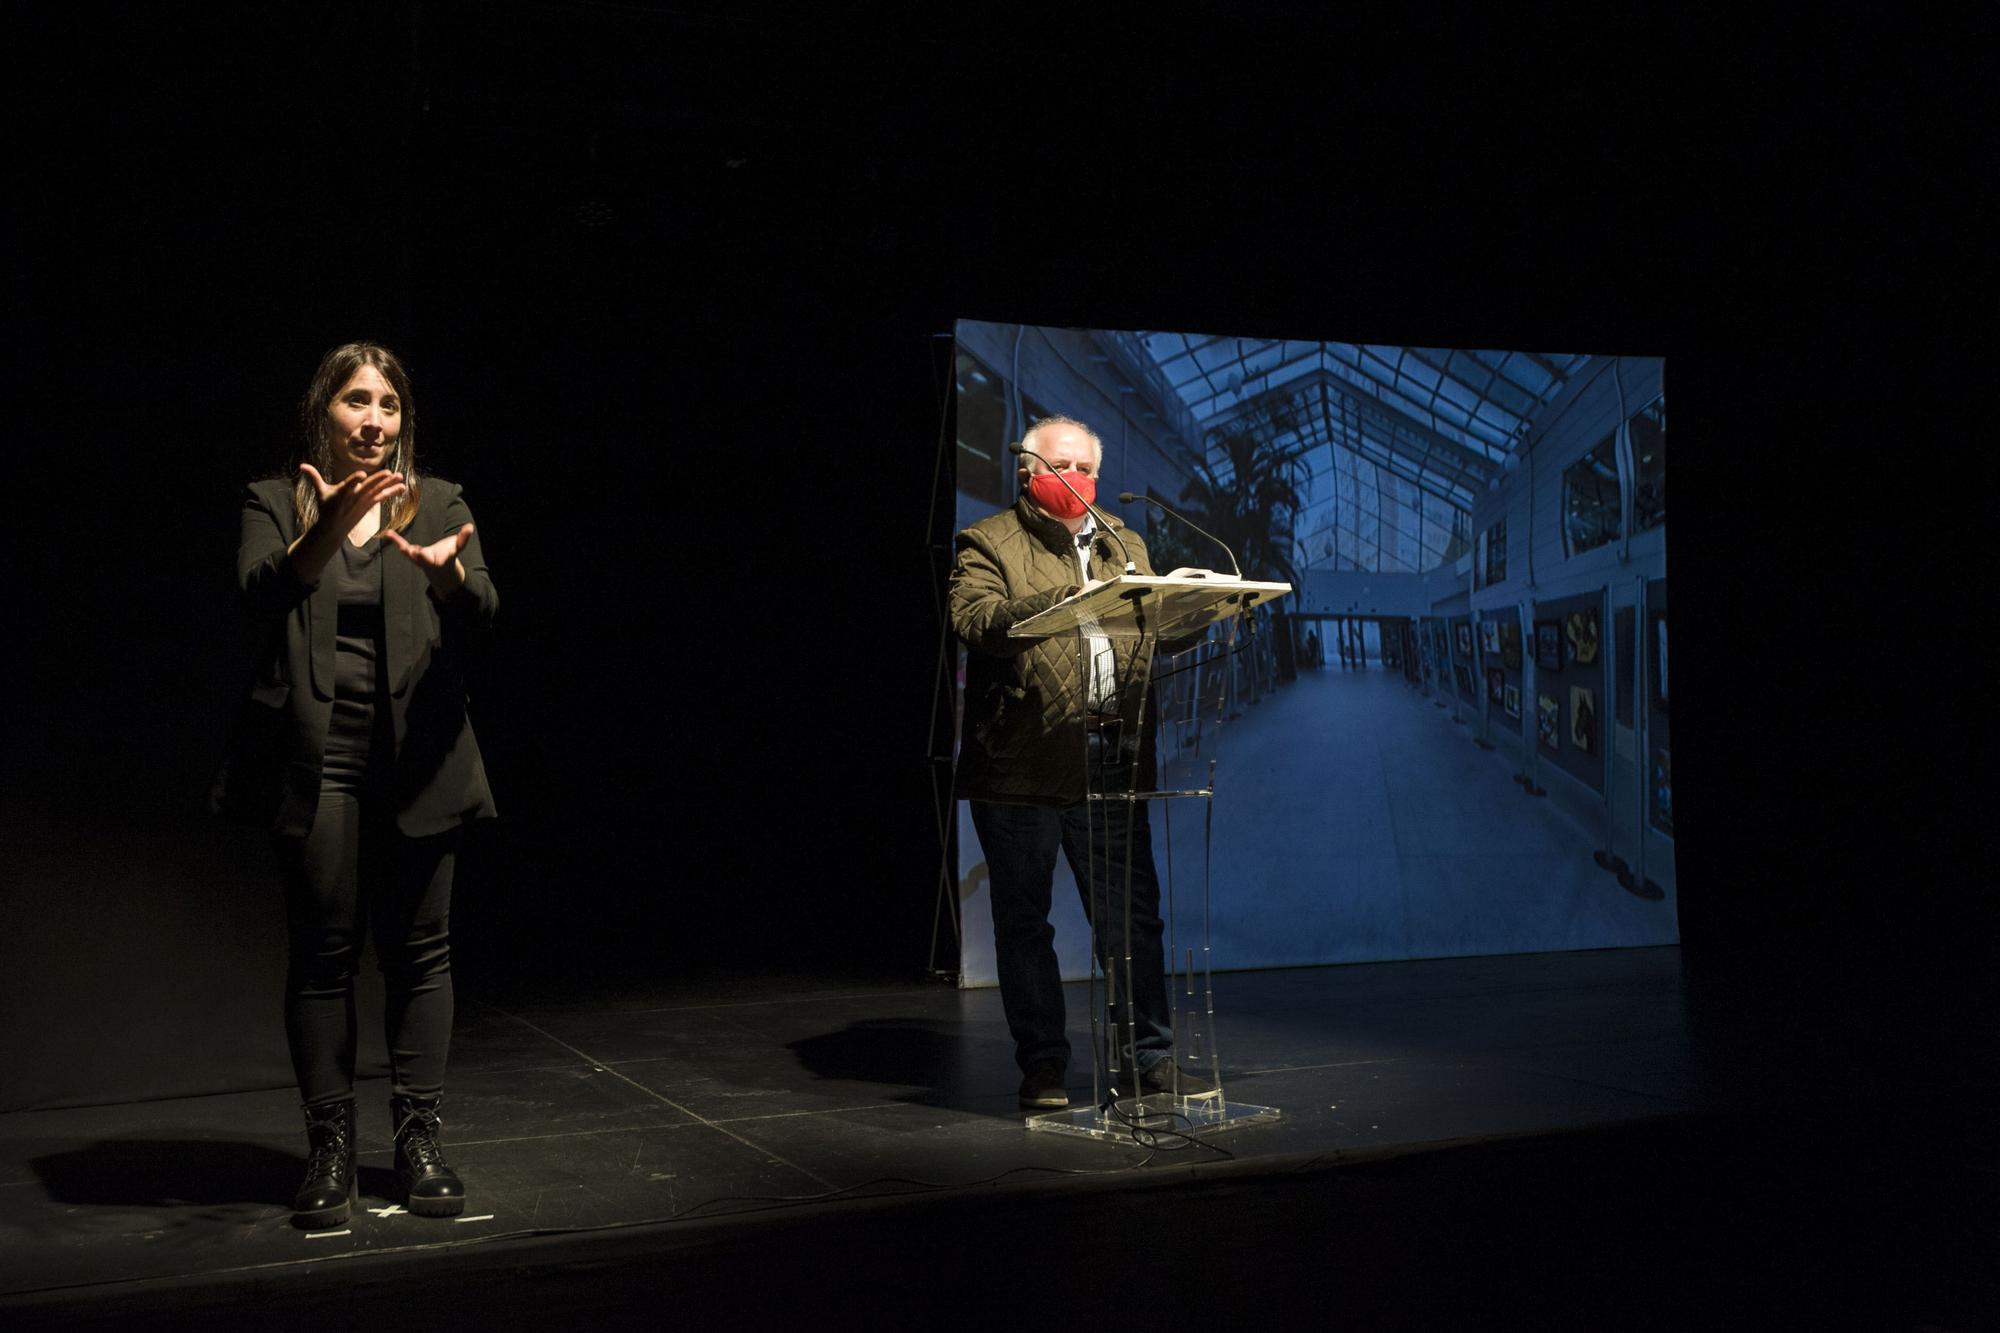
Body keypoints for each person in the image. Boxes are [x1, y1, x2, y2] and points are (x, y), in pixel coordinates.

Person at [210, 341, 497, 1228]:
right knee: (324, 956)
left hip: (421, 757)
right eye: (356, 402)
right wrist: (327, 526)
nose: (374, 420)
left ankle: (418, 1142)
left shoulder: (440, 499)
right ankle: (329, 1149)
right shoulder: (276, 499)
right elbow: (257, 592)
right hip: (317, 759)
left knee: (421, 955)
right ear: (322, 413)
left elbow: (486, 605)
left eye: (389, 406)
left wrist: (450, 575)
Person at [949, 416, 1214, 1110]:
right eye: (1062, 465)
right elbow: (974, 620)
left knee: (1132, 923)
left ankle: (1149, 1062)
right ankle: (1042, 1068)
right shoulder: (988, 541)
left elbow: (1148, 631)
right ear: (1026, 471)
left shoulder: (1127, 543)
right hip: (1022, 771)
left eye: (1087, 468)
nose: (1078, 479)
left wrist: (1199, 611)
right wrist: (1060, 603)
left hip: (1112, 764)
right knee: (1026, 926)